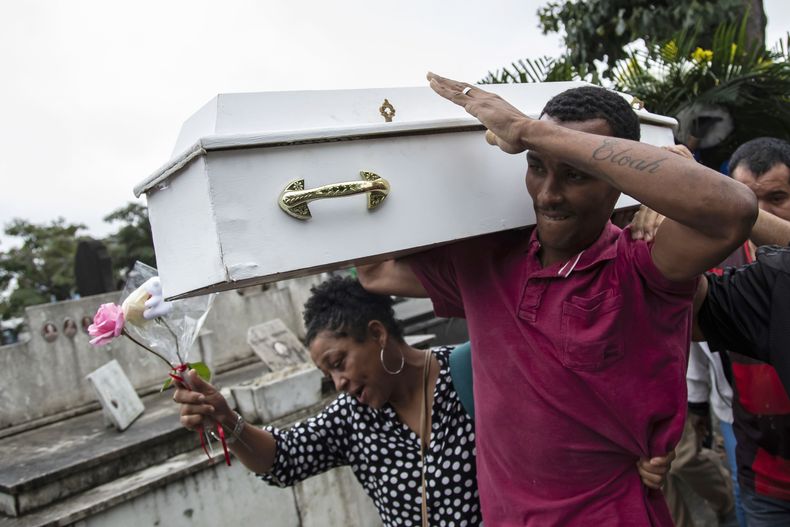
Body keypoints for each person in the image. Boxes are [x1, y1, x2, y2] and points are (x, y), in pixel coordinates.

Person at [358, 73, 757, 525]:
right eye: (535, 166)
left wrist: (527, 128)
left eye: (576, 173)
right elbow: (374, 271)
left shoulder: (642, 261)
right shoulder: (486, 262)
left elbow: (734, 212)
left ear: (616, 179)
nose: (548, 194)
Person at [172, 276, 672, 526]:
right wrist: (228, 421)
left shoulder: (475, 371)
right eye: (327, 373)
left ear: (377, 334)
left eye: (340, 361)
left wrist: (638, 451)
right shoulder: (353, 420)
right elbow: (282, 460)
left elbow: (573, 407)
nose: (339, 382)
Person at [633, 137, 790, 526]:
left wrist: (713, 199)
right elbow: (688, 320)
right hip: (758, 463)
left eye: (778, 197)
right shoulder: (713, 253)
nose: (759, 209)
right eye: (747, 197)